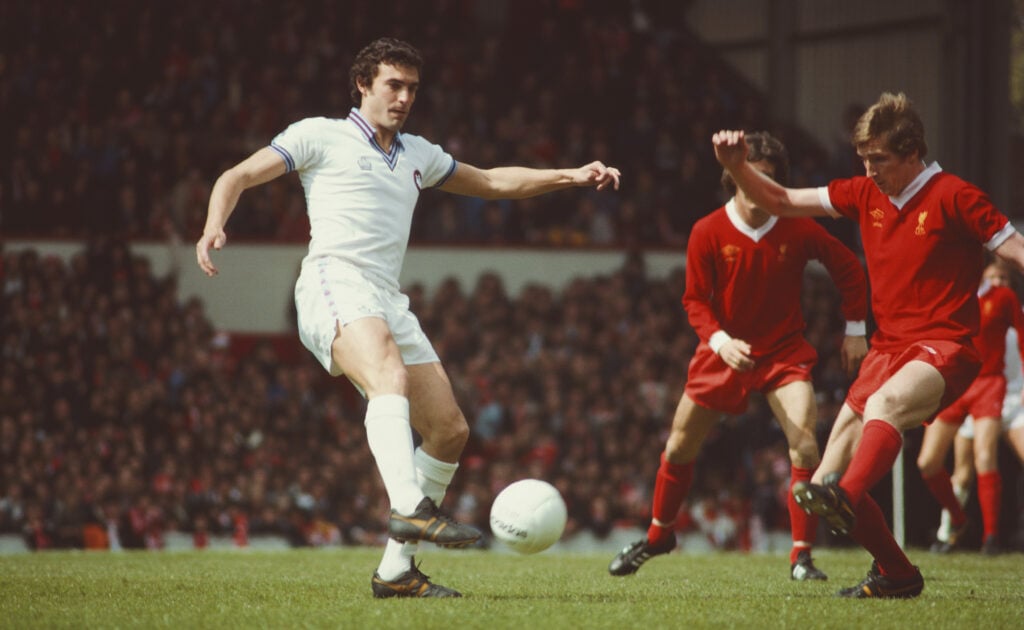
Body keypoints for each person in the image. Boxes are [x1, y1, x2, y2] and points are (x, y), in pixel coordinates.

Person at [195, 37, 621, 599]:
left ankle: (396, 571)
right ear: (363, 85)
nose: (404, 97)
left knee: (448, 429)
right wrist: (213, 224)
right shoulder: (318, 134)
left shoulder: (418, 152)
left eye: (412, 88)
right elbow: (237, 176)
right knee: (388, 379)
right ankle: (409, 508)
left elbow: (493, 181)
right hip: (334, 280)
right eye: (393, 85)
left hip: (386, 296)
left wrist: (569, 176)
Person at [712, 92, 1024, 599]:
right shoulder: (863, 193)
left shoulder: (956, 195)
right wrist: (738, 167)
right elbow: (784, 201)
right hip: (886, 352)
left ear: (911, 152)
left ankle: (852, 496)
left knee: (875, 424)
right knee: (823, 480)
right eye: (864, 160)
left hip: (946, 347)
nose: (870, 170)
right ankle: (897, 572)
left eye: (879, 160)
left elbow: (1015, 250)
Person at [608, 132, 868, 581]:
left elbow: (848, 268)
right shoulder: (707, 230)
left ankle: (801, 557)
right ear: (732, 177)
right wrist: (720, 341)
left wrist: (856, 330)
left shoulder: (797, 225)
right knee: (678, 446)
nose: (757, 185)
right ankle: (658, 535)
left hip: (784, 353)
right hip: (723, 353)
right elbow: (694, 301)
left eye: (767, 177)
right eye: (748, 174)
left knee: (804, 443)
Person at [918, 259, 1024, 554]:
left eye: (1005, 276)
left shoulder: (1004, 300)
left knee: (984, 458)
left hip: (1001, 392)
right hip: (960, 387)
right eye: (995, 275)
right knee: (934, 463)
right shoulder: (953, 293)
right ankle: (954, 525)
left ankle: (991, 538)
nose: (1000, 280)